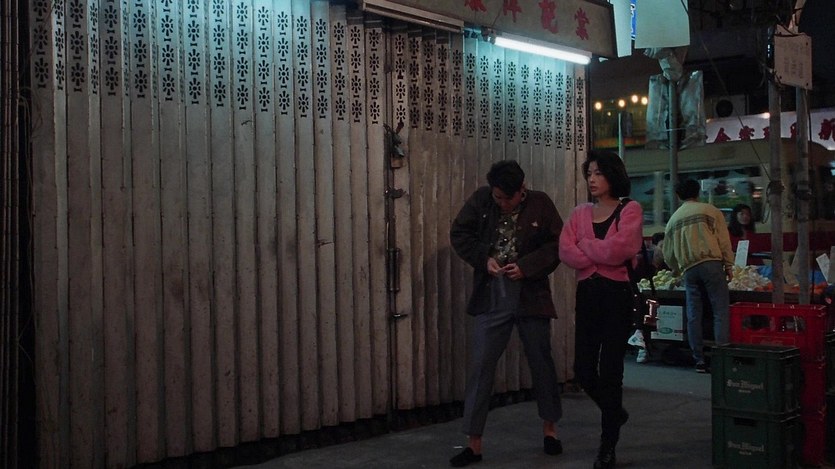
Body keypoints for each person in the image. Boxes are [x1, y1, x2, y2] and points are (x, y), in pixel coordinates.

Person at [448, 160, 565, 467]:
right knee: (482, 364)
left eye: (506, 198)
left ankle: (550, 430)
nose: (501, 202)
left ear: (521, 190)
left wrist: (527, 267)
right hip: (492, 293)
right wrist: (483, 258)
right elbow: (459, 233)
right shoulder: (482, 199)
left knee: (541, 360)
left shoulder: (540, 203)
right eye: (497, 196)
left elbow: (558, 244)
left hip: (531, 293)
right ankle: (474, 444)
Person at [559, 150, 643, 469]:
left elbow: (622, 248)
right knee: (583, 369)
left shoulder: (629, 209)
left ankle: (607, 446)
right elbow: (566, 251)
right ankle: (615, 411)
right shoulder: (580, 212)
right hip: (588, 295)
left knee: (611, 372)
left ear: (613, 175)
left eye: (598, 173)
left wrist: (587, 247)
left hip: (616, 296)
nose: (592, 179)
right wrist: (598, 252)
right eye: (589, 173)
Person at [662, 179, 734, 373]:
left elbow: (668, 253)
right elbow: (723, 240)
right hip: (711, 264)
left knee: (694, 313)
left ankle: (699, 360)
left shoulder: (674, 219)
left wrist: (676, 270)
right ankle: (722, 356)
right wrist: (729, 265)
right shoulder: (710, 210)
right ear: (698, 192)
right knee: (720, 310)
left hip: (689, 269)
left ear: (678, 196)